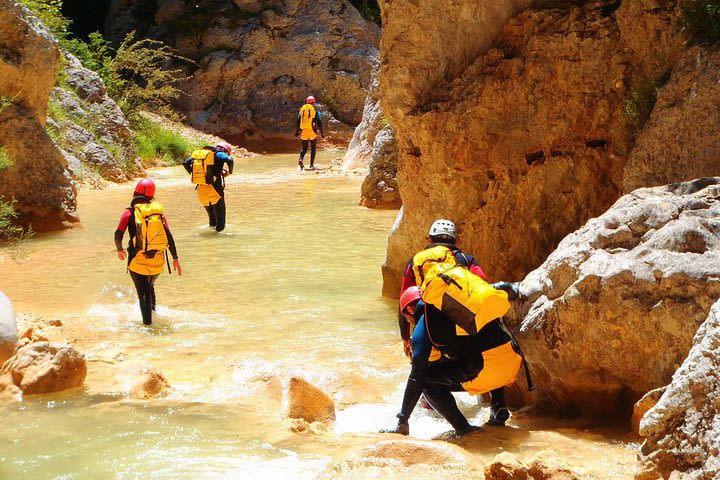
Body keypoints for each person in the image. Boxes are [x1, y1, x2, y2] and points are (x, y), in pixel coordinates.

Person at [381, 219, 525, 436]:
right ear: (455, 241)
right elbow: (483, 286)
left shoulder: (417, 269)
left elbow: (405, 297)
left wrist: (406, 336)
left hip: (479, 367)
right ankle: (497, 405)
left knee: (426, 378)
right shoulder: (465, 259)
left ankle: (463, 429)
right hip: (512, 363)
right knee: (485, 340)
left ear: (429, 240)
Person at [114, 179, 182, 325]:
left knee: (143, 292)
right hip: (158, 260)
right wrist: (175, 258)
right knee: (149, 286)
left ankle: (148, 326)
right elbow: (168, 235)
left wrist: (119, 249)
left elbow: (118, 232)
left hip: (138, 260)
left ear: (135, 193)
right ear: (152, 195)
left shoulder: (130, 212)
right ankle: (153, 314)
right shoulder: (158, 213)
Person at [183, 142, 234, 232]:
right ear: (224, 150)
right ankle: (219, 243)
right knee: (221, 222)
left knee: (212, 220)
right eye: (227, 153)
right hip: (214, 191)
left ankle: (210, 239)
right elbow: (230, 160)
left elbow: (185, 163)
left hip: (201, 191)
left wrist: (194, 175)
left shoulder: (201, 155)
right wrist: (230, 172)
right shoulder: (219, 154)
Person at [294, 95, 324, 170]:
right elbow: (319, 122)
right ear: (313, 103)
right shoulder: (316, 111)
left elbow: (298, 121)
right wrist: (322, 133)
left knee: (304, 148)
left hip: (304, 131)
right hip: (312, 132)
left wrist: (297, 131)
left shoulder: (302, 111)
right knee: (313, 148)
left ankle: (301, 159)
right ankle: (311, 164)